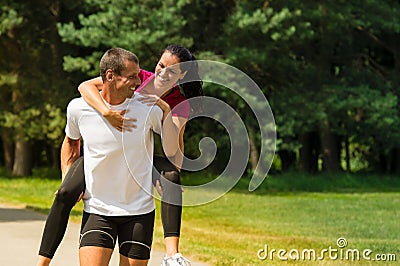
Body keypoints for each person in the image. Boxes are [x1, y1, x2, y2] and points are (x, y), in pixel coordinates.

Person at [36, 45, 203, 266]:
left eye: (171, 72)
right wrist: (107, 113)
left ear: (182, 75)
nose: (162, 74)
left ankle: (172, 254)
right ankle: (42, 261)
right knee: (65, 190)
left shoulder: (177, 104)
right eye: (161, 66)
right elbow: (86, 86)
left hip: (147, 157)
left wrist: (164, 108)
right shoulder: (141, 76)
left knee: (171, 178)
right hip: (104, 162)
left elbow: (173, 150)